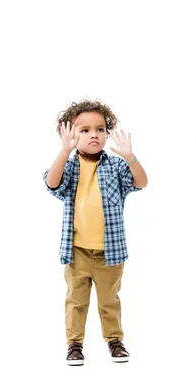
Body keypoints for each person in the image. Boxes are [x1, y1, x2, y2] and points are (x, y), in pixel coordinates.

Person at [43, 99, 147, 366]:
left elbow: (141, 182)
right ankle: (74, 344)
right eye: (85, 130)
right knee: (76, 301)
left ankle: (114, 340)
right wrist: (64, 151)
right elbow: (52, 183)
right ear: (70, 133)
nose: (94, 135)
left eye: (100, 129)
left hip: (110, 253)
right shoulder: (68, 164)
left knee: (109, 301)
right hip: (76, 251)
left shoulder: (114, 166)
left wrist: (129, 157)